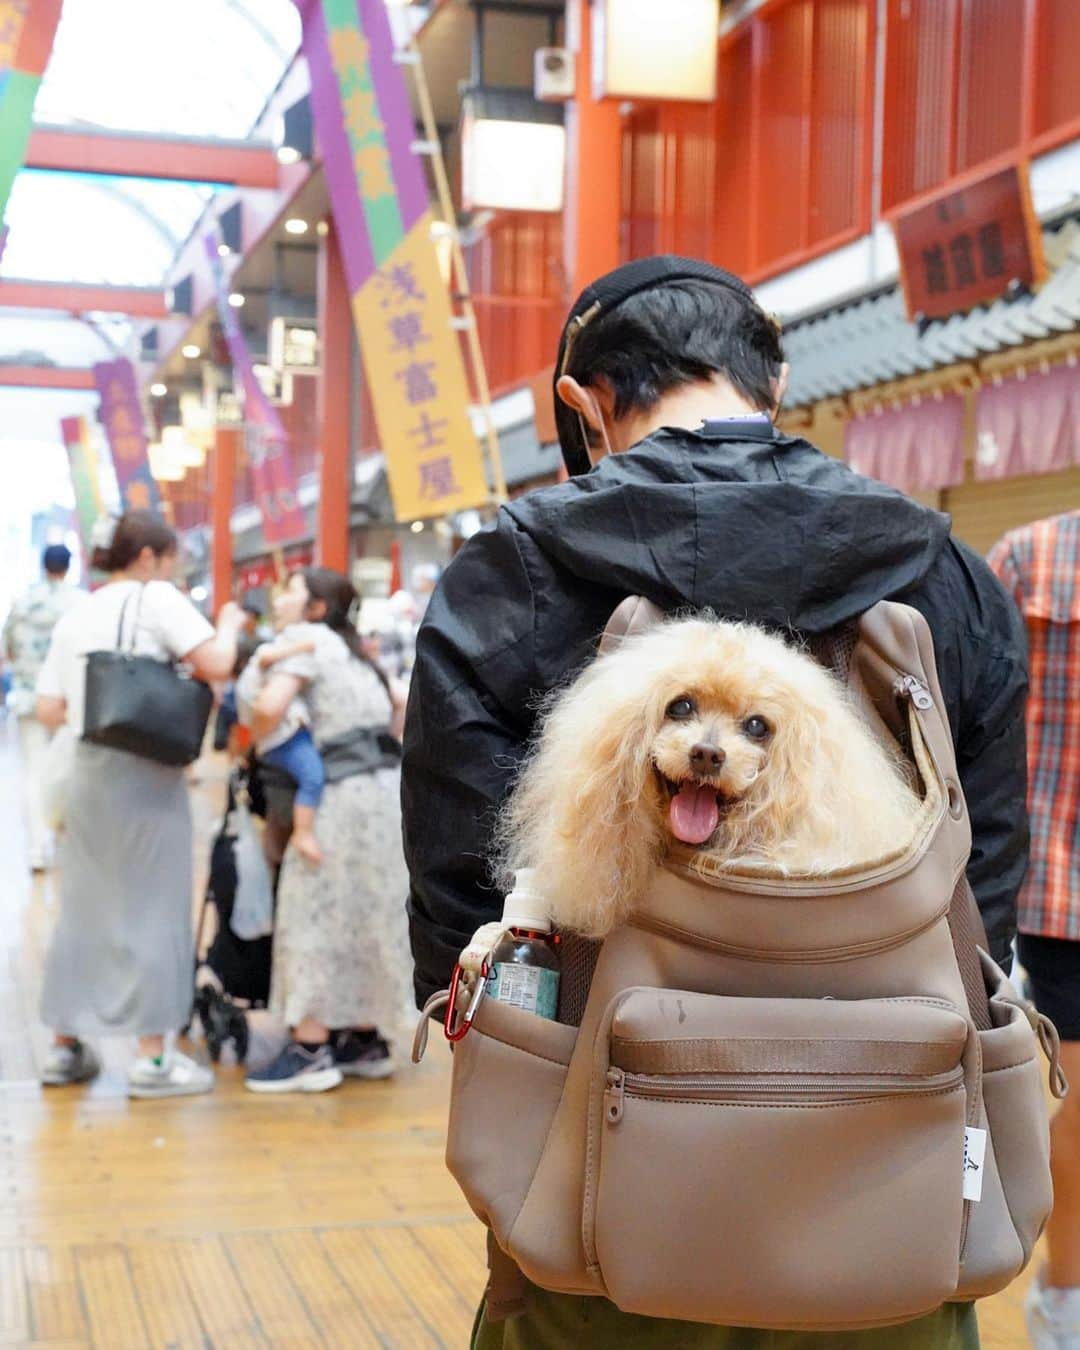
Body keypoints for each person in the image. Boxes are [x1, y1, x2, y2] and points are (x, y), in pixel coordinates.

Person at [402, 257, 1029, 1350]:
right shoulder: (942, 569)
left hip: (599, 1187)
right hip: (892, 1182)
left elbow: (459, 881)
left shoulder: (512, 569)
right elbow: (987, 871)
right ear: (773, 384)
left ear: (583, 403)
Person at [34, 511, 244, 1096]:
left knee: (84, 909)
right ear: (150, 557)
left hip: (85, 769)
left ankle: (63, 1048)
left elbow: (50, 707)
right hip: (144, 773)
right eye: (172, 559)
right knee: (152, 905)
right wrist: (226, 623)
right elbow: (218, 664)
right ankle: (153, 1060)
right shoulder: (157, 598)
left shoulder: (79, 611)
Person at [244, 568, 411, 1093]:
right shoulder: (357, 650)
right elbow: (402, 707)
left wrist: (260, 732)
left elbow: (269, 708)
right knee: (367, 909)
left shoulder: (305, 641)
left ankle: (310, 1046)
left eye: (292, 589)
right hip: (384, 794)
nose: (282, 596)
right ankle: (364, 1038)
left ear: (315, 608)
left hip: (337, 796)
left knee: (313, 909)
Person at [988, 513, 1080, 1350]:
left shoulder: (1028, 554)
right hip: (1059, 896)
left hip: (1053, 884)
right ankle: (1065, 1305)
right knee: (1070, 1132)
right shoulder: (1028, 556)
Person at [2, 544, 85, 871]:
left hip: (29, 698)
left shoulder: (22, 603)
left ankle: (38, 848)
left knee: (35, 772)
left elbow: (6, 650)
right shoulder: (80, 604)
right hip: (69, 702)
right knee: (71, 769)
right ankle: (67, 839)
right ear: (68, 566)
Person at [237, 631, 325, 865]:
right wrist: (303, 644)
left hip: (270, 749)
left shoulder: (248, 682)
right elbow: (267, 709)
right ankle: (303, 833)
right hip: (283, 739)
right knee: (313, 777)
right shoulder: (263, 661)